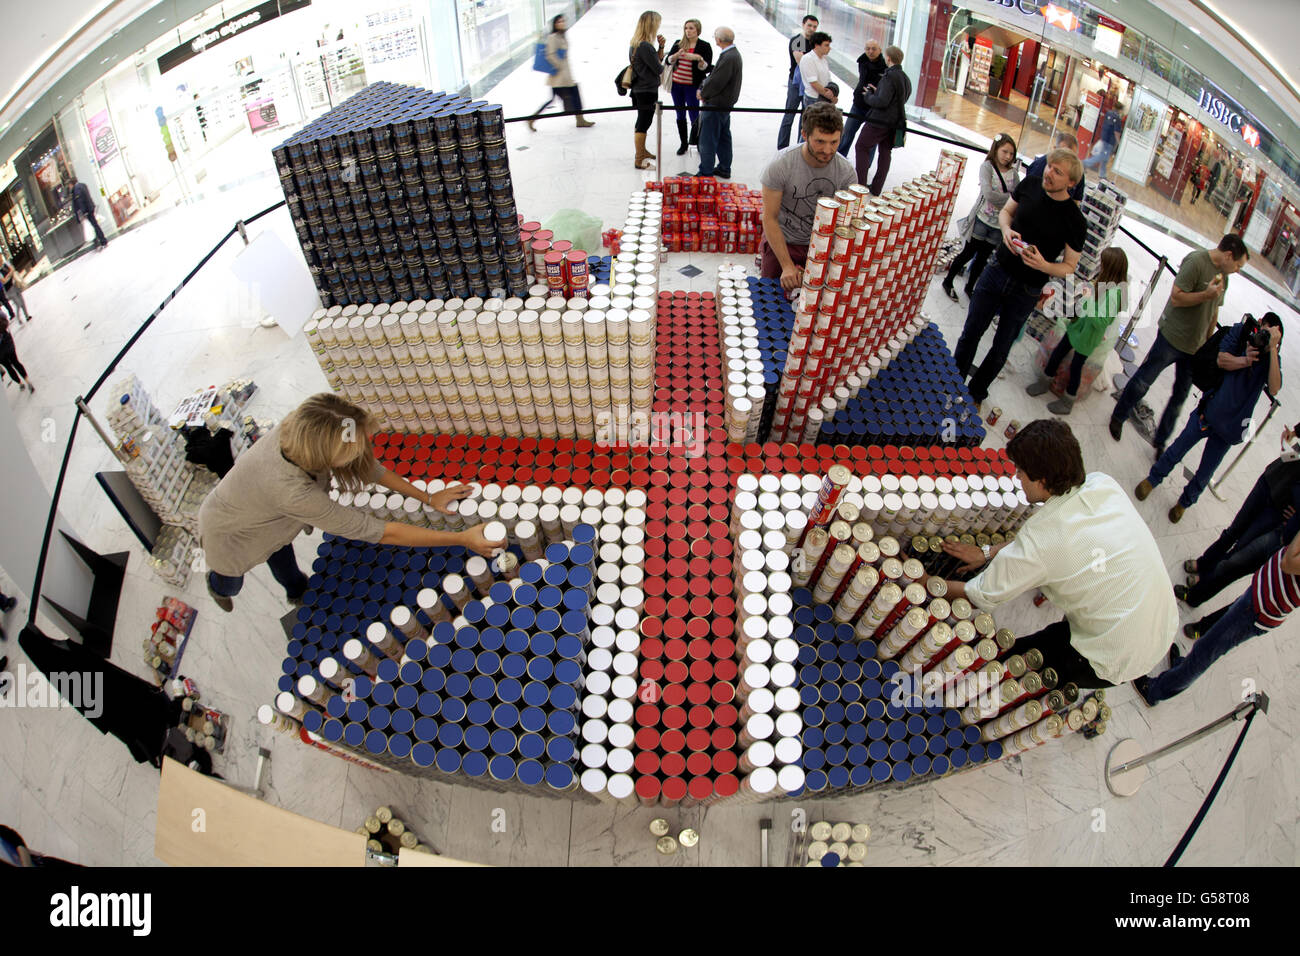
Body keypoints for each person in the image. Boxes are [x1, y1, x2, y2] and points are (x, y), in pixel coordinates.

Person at [197, 394, 504, 613]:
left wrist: (426, 497)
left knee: (279, 548)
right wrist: (462, 539)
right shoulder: (292, 492)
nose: (364, 451)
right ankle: (218, 586)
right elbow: (381, 532)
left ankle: (296, 590)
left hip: (267, 512)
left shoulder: (305, 428)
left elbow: (363, 465)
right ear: (327, 455)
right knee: (231, 576)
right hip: (229, 530)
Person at [936, 419, 1175, 688]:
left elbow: (979, 594)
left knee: (1010, 674)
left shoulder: (1044, 541)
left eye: (1021, 472)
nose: (1016, 477)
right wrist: (988, 552)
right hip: (1156, 614)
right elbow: (1045, 543)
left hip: (1118, 652)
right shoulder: (1102, 484)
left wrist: (918, 582)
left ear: (1043, 481)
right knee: (1055, 635)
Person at [952, 148, 1086, 406]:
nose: (1049, 173)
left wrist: (1045, 265)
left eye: (1058, 172)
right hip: (997, 269)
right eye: (1049, 166)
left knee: (1001, 349)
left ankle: (976, 393)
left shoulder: (1075, 220)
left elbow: (1070, 266)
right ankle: (953, 382)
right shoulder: (1031, 184)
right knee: (971, 332)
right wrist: (1005, 231)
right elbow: (1006, 213)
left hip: (1027, 289)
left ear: (1071, 183)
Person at [1136, 312, 1282, 523]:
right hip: (1210, 409)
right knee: (1178, 447)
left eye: (1270, 335)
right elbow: (1222, 360)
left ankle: (1184, 503)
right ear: (1259, 324)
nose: (1264, 337)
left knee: (1205, 473)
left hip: (1230, 428)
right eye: (1264, 330)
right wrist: (1246, 360)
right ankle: (1153, 479)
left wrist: (1273, 350)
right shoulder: (1242, 332)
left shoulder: (1271, 358)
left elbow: (1275, 388)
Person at [1109, 234, 1250, 447]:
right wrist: (1205, 295)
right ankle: (1119, 416)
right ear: (1229, 255)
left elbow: (1213, 311)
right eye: (1238, 265)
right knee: (1143, 381)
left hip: (1196, 348)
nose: (1238, 270)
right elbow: (1177, 297)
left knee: (1179, 398)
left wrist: (1209, 341)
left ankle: (1160, 441)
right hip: (1171, 338)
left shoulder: (1224, 278)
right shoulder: (1196, 261)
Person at [1134, 530, 1300, 706]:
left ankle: (1154, 691)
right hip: (1261, 596)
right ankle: (1180, 669)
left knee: (1205, 653)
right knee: (1208, 644)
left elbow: (1288, 563)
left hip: (1259, 608)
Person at [1176, 423, 1300, 608]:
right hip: (1273, 478)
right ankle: (1204, 564)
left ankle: (1198, 592)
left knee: (1238, 555)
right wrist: (1293, 433)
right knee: (1233, 531)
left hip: (1283, 509)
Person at [759, 102, 857, 292]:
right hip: (783, 241)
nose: (828, 150)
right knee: (769, 299)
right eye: (820, 141)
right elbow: (769, 218)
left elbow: (847, 223)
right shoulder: (781, 165)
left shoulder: (846, 173)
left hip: (822, 246)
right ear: (804, 134)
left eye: (834, 142)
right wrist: (787, 265)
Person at [1025, 246, 1128, 416]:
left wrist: (1088, 302)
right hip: (1077, 327)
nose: (1100, 266)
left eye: (1104, 264)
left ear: (1111, 267)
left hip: (1088, 337)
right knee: (1058, 353)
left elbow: (1102, 322)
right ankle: (1044, 382)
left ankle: (1068, 401)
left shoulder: (1116, 294)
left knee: (1076, 367)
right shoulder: (1105, 282)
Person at [941, 133, 1020, 302]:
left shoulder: (1014, 174)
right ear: (996, 149)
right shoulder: (987, 167)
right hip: (981, 220)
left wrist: (1008, 199)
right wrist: (1009, 198)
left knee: (982, 258)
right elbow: (989, 195)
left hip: (999, 225)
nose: (1008, 156)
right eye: (1005, 151)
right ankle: (948, 281)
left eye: (1011, 154)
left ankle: (970, 287)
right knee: (968, 252)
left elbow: (1018, 198)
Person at [853, 45, 911, 196]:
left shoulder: (889, 76)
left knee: (862, 146)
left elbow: (882, 102)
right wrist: (877, 92)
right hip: (894, 122)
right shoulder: (905, 78)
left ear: (889, 59)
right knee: (885, 152)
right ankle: (876, 188)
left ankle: (860, 186)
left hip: (879, 121)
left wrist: (868, 96)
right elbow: (899, 98)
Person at [528, 15, 595, 131]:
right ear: (554, 24)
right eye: (559, 22)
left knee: (573, 95)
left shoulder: (561, 35)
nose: (562, 23)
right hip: (558, 77)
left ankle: (580, 120)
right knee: (559, 98)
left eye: (563, 21)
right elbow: (550, 54)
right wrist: (559, 66)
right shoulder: (553, 37)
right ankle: (532, 119)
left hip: (565, 76)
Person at [696, 27, 742, 180]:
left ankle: (706, 171)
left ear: (719, 40)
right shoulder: (732, 54)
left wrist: (703, 93)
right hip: (725, 104)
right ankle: (724, 167)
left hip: (716, 104)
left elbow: (716, 81)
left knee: (707, 138)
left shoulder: (728, 57)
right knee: (723, 137)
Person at [666, 19, 712, 155]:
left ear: (698, 30)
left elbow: (707, 68)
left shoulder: (704, 46)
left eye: (691, 28)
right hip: (677, 85)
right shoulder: (678, 43)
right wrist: (676, 55)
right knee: (680, 114)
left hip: (692, 86)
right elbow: (668, 61)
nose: (688, 31)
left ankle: (698, 142)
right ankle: (683, 143)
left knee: (694, 116)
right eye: (686, 28)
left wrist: (699, 59)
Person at [628, 10, 666, 170]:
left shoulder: (635, 44)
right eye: (657, 23)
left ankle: (642, 151)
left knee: (643, 120)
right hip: (647, 90)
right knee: (644, 122)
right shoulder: (645, 46)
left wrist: (661, 47)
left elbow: (652, 62)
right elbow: (658, 68)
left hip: (638, 89)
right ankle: (639, 158)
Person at [838, 38, 887, 157]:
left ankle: (865, 165)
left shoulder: (885, 68)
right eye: (868, 49)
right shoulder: (862, 61)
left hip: (874, 108)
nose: (870, 51)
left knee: (870, 139)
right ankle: (839, 157)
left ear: (880, 50)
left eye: (874, 49)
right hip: (858, 104)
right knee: (847, 132)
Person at [777, 15, 819, 150]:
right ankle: (782, 147)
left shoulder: (814, 42)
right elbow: (801, 62)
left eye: (814, 26)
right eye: (809, 25)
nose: (812, 29)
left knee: (805, 118)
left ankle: (800, 147)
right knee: (789, 115)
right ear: (803, 24)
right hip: (796, 84)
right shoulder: (798, 40)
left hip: (808, 85)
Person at [796, 31, 836, 143]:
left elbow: (828, 80)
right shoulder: (808, 59)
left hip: (823, 98)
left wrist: (832, 94)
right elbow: (813, 83)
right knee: (810, 129)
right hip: (813, 98)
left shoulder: (823, 60)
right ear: (817, 45)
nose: (829, 48)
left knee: (818, 130)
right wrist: (829, 95)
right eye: (826, 45)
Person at [1025, 132, 1084, 202]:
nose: (1068, 160)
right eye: (1063, 154)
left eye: (1072, 156)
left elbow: (1076, 200)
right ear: (1054, 149)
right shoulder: (1039, 167)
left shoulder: (1077, 173)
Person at [1082, 105, 1122, 179]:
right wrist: (1119, 143)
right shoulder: (1118, 118)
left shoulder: (1108, 113)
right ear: (1120, 110)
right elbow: (1117, 132)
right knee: (1103, 156)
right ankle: (1084, 163)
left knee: (1105, 159)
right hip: (1110, 140)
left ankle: (1102, 175)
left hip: (1104, 137)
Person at [71, 178, 108, 250]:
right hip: (90, 207)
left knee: (94, 225)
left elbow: (80, 201)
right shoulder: (83, 185)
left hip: (87, 210)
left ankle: (102, 241)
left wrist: (84, 211)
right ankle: (99, 241)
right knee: (94, 225)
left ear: (71, 184)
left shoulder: (77, 189)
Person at [0, 314, 33, 392]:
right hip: (8, 343)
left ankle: (20, 383)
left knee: (9, 367)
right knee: (16, 362)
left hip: (1, 353)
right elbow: (4, 316)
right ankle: (27, 380)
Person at [0, 256, 30, 323]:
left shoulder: (6, 264)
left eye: (1, 257)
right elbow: (4, 281)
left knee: (22, 300)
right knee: (18, 303)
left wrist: (8, 275)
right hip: (9, 290)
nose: (1, 259)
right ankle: (18, 318)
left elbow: (12, 269)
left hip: (15, 284)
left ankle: (27, 315)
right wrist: (10, 273)